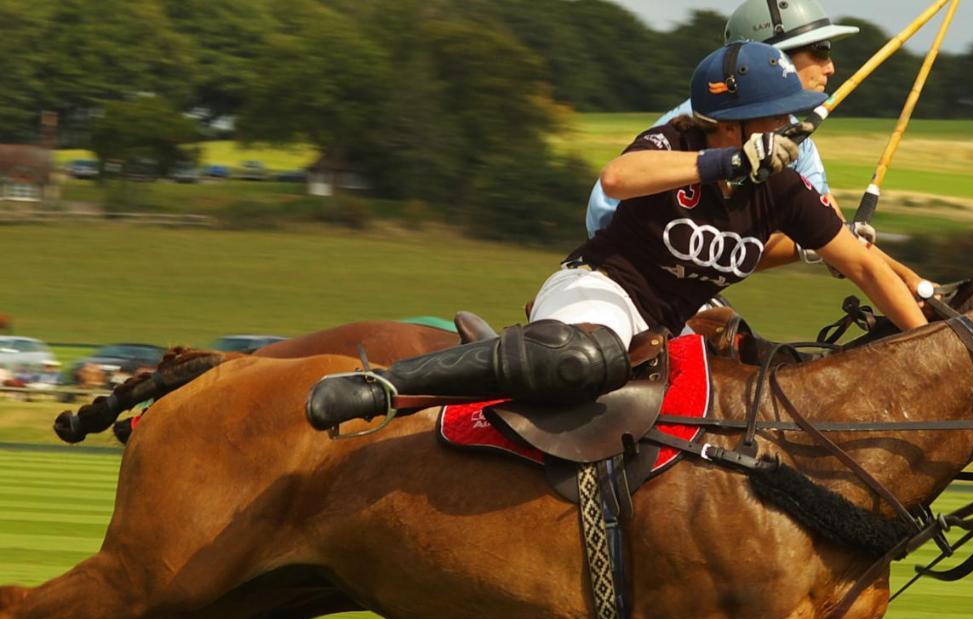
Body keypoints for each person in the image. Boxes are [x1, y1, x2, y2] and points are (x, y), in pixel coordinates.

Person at [305, 40, 928, 431]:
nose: (790, 124)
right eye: (776, 114)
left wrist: (926, 346)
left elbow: (865, 266)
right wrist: (725, 165)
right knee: (585, 357)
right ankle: (384, 385)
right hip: (597, 292)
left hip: (669, 328)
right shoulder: (679, 143)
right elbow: (619, 176)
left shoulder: (784, 188)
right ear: (733, 122)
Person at [586, 0, 859, 241]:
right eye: (820, 50)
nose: (831, 66)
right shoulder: (701, 120)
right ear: (774, 57)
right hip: (635, 262)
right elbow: (608, 205)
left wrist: (856, 240)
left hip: (693, 264)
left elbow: (832, 225)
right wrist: (808, 248)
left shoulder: (800, 140)